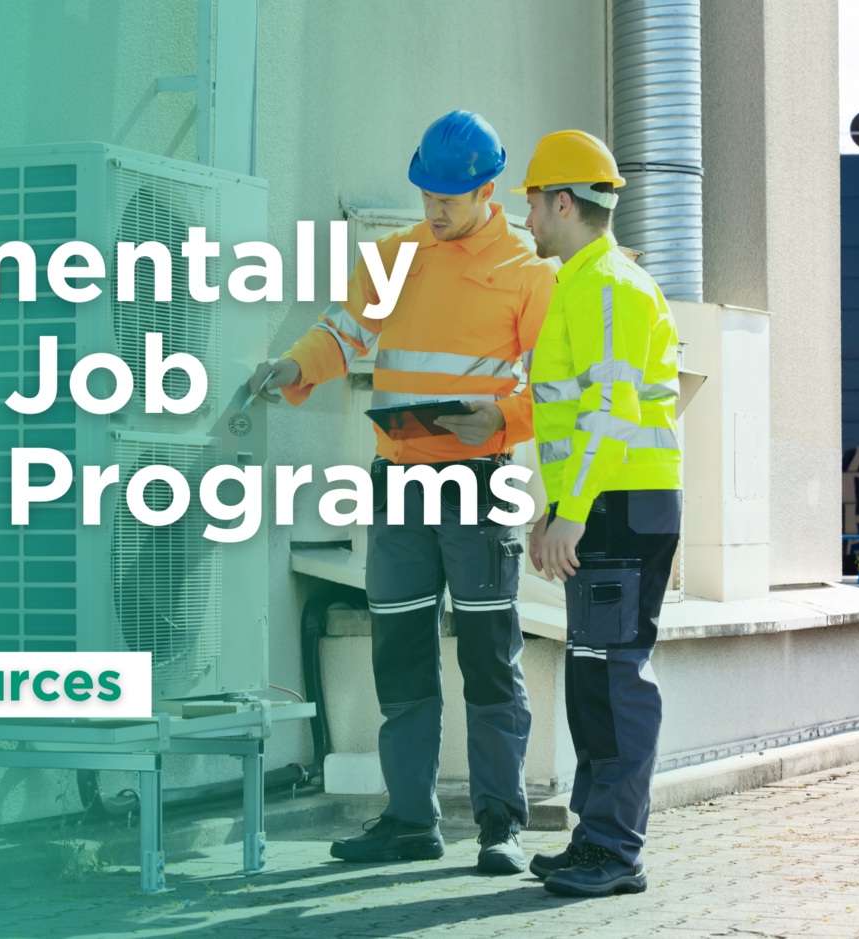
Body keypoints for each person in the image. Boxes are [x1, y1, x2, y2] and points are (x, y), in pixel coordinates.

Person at [251, 110, 556, 875]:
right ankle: (410, 820)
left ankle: (498, 826)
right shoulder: (394, 256)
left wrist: (502, 416)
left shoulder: (527, 271)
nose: (434, 208)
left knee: (490, 659)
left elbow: (555, 388)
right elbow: (346, 332)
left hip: (477, 486)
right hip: (397, 490)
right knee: (401, 657)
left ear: (489, 189)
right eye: (426, 193)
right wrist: (295, 368)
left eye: (450, 196)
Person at [514, 130, 683, 897]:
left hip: (620, 507)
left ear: (561, 201)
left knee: (614, 678)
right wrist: (555, 509)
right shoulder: (584, 282)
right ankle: (597, 839)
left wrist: (573, 513)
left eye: (531, 202)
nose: (526, 219)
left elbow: (611, 414)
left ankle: (616, 850)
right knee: (594, 674)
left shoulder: (608, 285)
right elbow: (575, 418)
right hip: (604, 504)